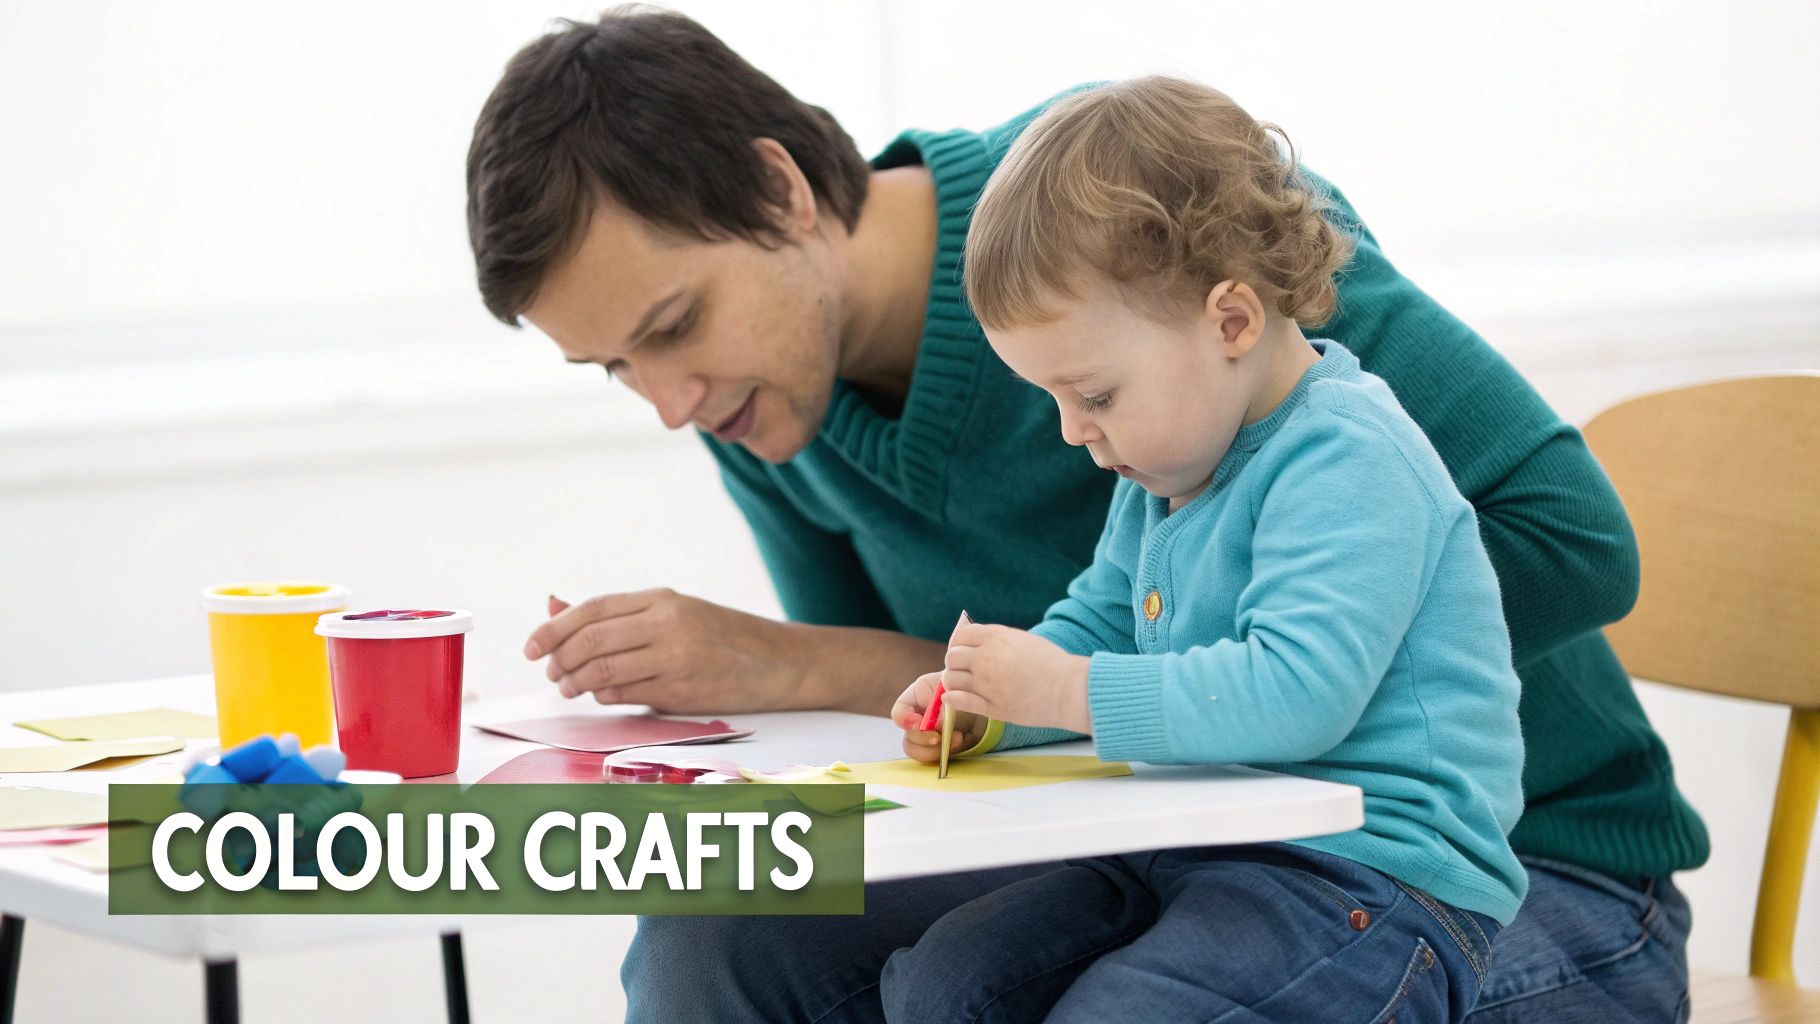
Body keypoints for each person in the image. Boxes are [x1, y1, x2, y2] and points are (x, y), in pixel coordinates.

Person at [466, 8, 1707, 1021]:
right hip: (1169, 836)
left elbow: (1575, 543)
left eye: (673, 327)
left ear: (778, 190)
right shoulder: (762, 401)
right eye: (616, 368)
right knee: (722, 935)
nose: (670, 402)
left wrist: (1250, 671)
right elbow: (1018, 710)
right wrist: (932, 690)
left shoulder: (1151, 234)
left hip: (1486, 864)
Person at [878, 74, 1524, 1022]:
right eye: (1051, 399)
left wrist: (1061, 691)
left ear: (1231, 320)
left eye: (1093, 396)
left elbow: (1297, 692)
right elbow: (1098, 619)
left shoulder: (1349, 457)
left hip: (1373, 878)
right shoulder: (1170, 470)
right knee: (944, 985)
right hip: (1204, 838)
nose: (1071, 432)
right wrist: (993, 710)